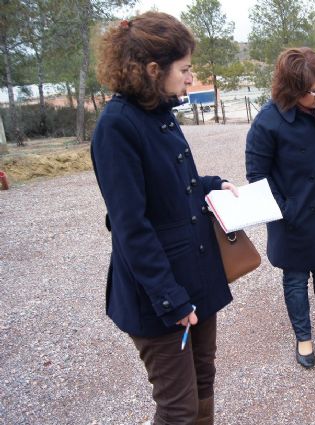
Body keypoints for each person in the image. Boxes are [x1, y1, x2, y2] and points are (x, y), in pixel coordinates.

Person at [91, 12, 237, 424]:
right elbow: (130, 226)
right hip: (159, 293)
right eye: (186, 69)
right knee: (177, 406)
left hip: (196, 274)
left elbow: (172, 184)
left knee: (204, 379)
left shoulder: (159, 110)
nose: (191, 79)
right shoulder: (117, 126)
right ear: (154, 69)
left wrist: (211, 183)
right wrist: (171, 299)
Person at [245, 47, 315, 369]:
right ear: (292, 89)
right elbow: (257, 175)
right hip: (292, 216)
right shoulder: (268, 122)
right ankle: (303, 336)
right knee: (295, 278)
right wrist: (284, 210)